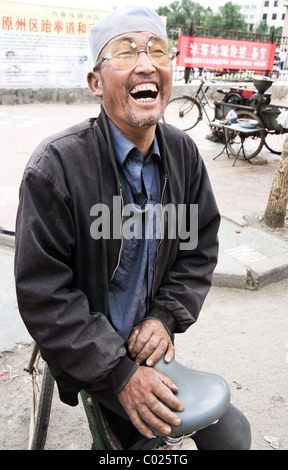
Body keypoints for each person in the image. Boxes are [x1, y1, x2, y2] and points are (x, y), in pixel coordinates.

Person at [14, 5, 251, 450]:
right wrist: (120, 374)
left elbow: (197, 251)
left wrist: (164, 317)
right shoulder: (56, 168)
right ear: (96, 83)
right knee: (144, 446)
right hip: (91, 352)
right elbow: (44, 294)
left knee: (232, 436)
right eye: (124, 53)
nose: (145, 64)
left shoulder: (183, 154)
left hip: (148, 345)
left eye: (156, 50)